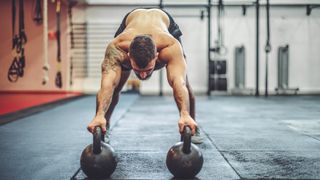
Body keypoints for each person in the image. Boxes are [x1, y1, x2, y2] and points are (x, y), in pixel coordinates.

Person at [87, 8, 203, 144]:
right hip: (130, 22)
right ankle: (104, 124)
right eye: (137, 70)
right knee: (115, 87)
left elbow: (179, 82)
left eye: (148, 70)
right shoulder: (117, 48)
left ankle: (191, 121)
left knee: (185, 85)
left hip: (164, 23)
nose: (142, 75)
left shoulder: (170, 46)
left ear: (156, 56)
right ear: (129, 56)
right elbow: (107, 84)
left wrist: (184, 113)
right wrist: (99, 114)